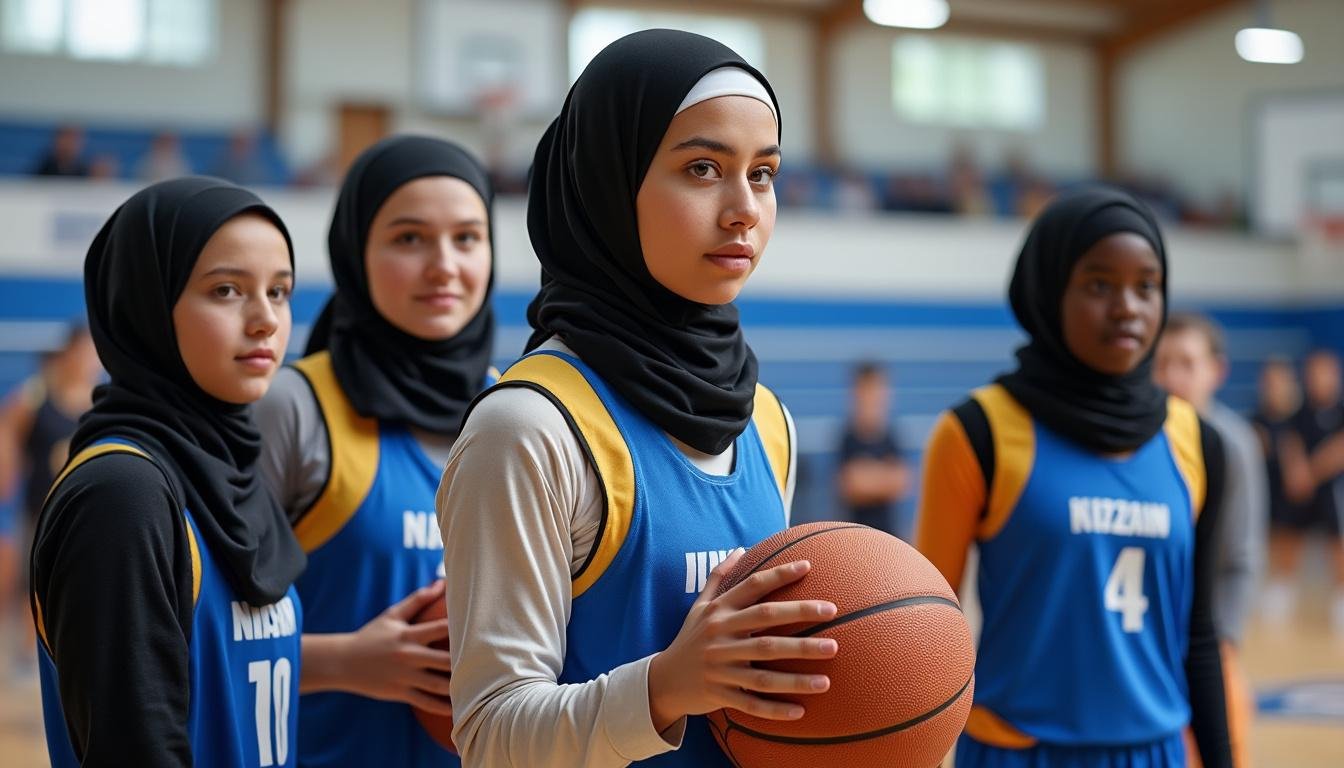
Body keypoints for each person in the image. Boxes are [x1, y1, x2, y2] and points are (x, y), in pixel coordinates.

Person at [436, 30, 834, 767]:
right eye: (704, 167)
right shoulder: (526, 429)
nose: (744, 208)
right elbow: (490, 736)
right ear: (608, 181)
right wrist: (664, 687)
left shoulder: (765, 421)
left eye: (765, 172)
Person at [915, 187, 1233, 767]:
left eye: (1146, 285)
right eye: (1098, 284)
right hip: (1018, 752)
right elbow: (924, 633)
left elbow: (1200, 636)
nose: (1127, 308)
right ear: (1049, 290)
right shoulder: (977, 431)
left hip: (1154, 751)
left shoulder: (1197, 440)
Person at [30, 177, 306, 766]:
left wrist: (359, 660)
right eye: (227, 290)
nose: (265, 321)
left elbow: (222, 666)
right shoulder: (120, 496)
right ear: (147, 304)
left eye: (279, 291)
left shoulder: (229, 463)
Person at [255, 135, 497, 768]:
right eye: (409, 239)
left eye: (467, 238)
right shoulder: (292, 408)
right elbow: (192, 638)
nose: (444, 265)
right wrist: (346, 662)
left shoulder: (519, 410)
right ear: (356, 251)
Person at [1153, 311, 1266, 767]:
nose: (1173, 376)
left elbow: (1243, 559)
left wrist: (1223, 646)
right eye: (1162, 363)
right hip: (1150, 640)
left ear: (1216, 371)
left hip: (1208, 639)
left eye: (1186, 362)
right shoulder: (1141, 438)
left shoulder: (1234, 443)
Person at [0, 322, 101, 672]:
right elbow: (9, 428)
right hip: (40, 509)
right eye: (85, 351)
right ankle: (27, 655)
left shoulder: (99, 403)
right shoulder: (36, 396)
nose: (90, 360)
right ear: (70, 352)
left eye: (95, 354)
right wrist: (7, 464)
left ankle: (74, 654)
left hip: (84, 512)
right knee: (35, 584)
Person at [1277, 349, 1344, 633]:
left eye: (1324, 372)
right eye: (1313, 372)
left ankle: (1340, 599)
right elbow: (1289, 442)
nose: (1318, 379)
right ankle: (1280, 592)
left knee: (1338, 542)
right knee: (1287, 535)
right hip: (1301, 490)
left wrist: (1311, 474)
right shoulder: (1298, 412)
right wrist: (1295, 472)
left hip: (1332, 488)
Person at [836, 361, 909, 536]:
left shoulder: (891, 437)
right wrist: (884, 476)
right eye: (867, 391)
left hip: (889, 535)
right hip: (854, 535)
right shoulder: (848, 438)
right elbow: (851, 485)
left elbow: (901, 483)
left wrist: (866, 474)